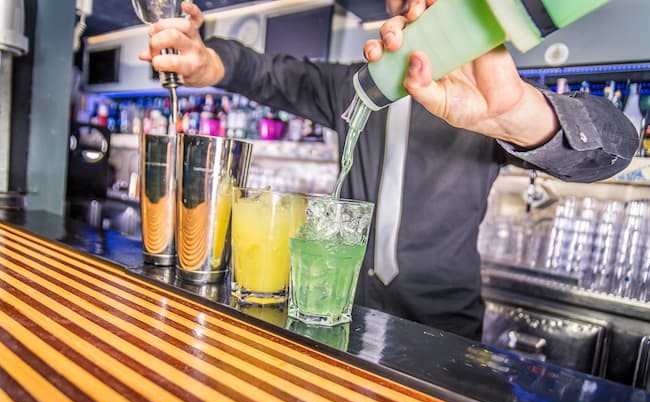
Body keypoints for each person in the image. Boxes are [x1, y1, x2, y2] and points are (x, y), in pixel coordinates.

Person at [141, 0, 638, 340]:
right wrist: (208, 62)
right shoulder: (349, 87)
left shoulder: (485, 95)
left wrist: (520, 115)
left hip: (444, 330)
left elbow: (614, 147)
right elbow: (266, 74)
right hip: (338, 314)